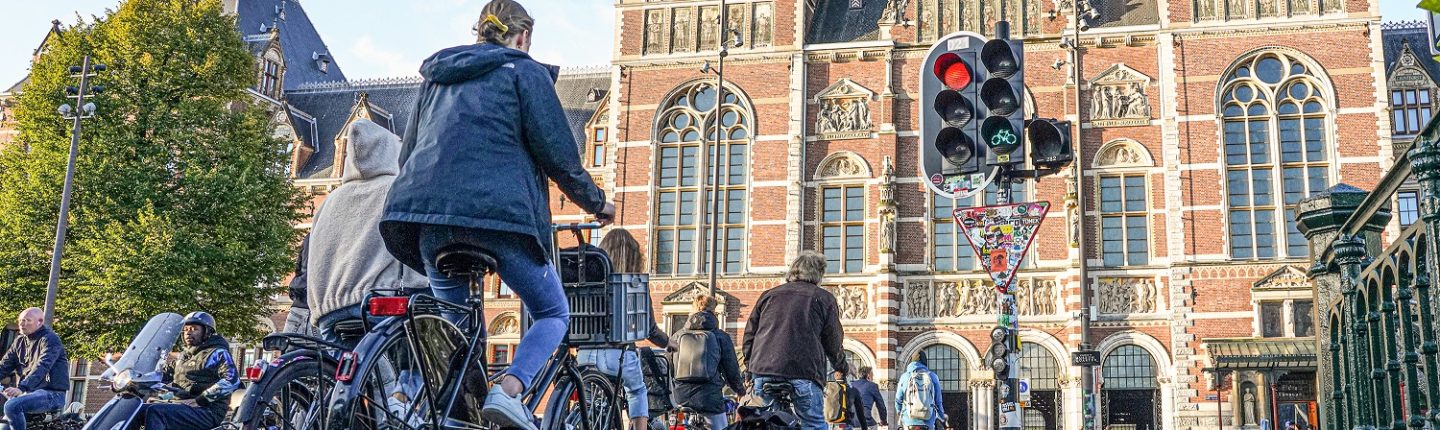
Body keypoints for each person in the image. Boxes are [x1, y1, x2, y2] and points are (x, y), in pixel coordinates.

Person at [378, 1, 616, 428]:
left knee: (456, 330)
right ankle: (510, 390)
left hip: (429, 221)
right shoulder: (524, 71)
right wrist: (598, 203)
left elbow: (409, 153)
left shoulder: (435, 80)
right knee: (553, 313)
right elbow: (560, 156)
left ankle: (457, 419)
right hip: (497, 219)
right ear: (522, 37)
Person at [307, 119, 428, 342]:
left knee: (346, 373)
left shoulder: (329, 202)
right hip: (382, 300)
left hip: (329, 311)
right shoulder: (397, 188)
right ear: (392, 151)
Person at [575, 229, 669, 430]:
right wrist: (669, 342)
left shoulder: (589, 281)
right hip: (619, 356)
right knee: (637, 391)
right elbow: (650, 329)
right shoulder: (634, 284)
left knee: (589, 402)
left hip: (585, 355)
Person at [743, 251, 847, 430]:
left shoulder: (768, 295)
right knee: (813, 424)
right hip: (803, 371)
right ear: (819, 274)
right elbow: (833, 340)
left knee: (761, 423)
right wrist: (841, 366)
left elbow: (750, 334)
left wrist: (749, 368)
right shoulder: (823, 298)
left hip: (763, 370)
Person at [138, 311, 239, 430]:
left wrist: (201, 400)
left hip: (207, 410)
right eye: (185, 329)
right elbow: (163, 373)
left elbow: (231, 380)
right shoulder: (185, 356)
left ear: (207, 331)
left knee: (156, 411)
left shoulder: (217, 353)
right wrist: (139, 376)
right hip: (182, 405)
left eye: (194, 328)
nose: (188, 332)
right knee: (137, 410)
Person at [673, 294, 745, 430]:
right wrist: (740, 390)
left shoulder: (677, 336)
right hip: (710, 399)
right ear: (714, 311)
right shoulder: (721, 336)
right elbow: (731, 370)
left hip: (680, 397)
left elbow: (668, 366)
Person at [0, 308, 68, 430]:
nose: (21, 324)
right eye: (20, 320)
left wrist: (22, 387)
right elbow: (5, 365)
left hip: (52, 394)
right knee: (4, 426)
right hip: (28, 394)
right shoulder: (19, 341)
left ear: (40, 322)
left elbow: (42, 366)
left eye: (27, 320)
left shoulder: (50, 339)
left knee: (11, 406)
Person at [894, 352, 945, 430]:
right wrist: (942, 416)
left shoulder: (905, 377)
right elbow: (938, 401)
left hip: (909, 421)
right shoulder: (933, 376)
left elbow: (898, 399)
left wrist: (899, 412)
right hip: (928, 421)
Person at [281, 235, 315, 336]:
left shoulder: (310, 235)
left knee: (291, 350)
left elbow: (298, 267)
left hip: (298, 306)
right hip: (319, 310)